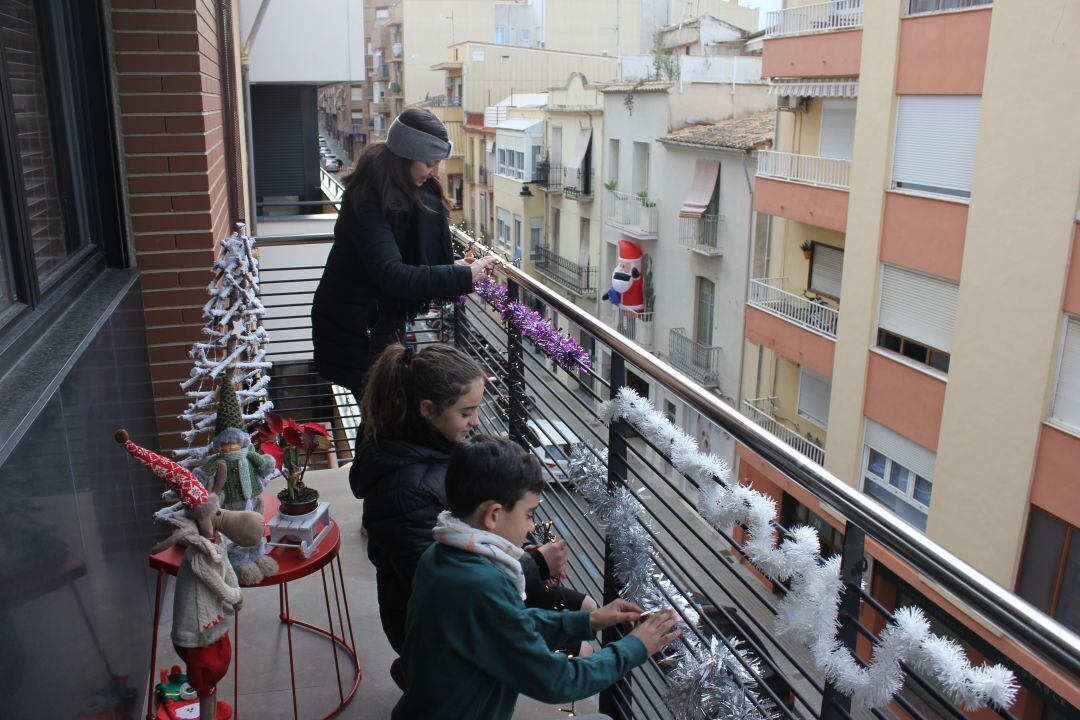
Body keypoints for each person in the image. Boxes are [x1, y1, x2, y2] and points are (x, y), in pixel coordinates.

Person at [393, 436, 681, 720]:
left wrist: (588, 621)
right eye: (529, 514)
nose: (531, 525)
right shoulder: (482, 584)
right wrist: (636, 647)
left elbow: (507, 624)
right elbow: (559, 680)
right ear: (493, 515)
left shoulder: (441, 554)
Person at [352, 342, 582, 686]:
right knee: (572, 647)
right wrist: (534, 565)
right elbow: (448, 588)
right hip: (433, 627)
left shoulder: (426, 445)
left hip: (455, 598)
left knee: (579, 607)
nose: (475, 422)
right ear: (428, 410)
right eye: (466, 412)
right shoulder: (403, 490)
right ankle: (423, 674)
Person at [312, 107, 498, 398]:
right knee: (384, 419)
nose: (435, 172)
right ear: (405, 157)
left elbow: (400, 263)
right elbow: (392, 274)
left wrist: (457, 266)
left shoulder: (395, 192)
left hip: (373, 325)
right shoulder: (368, 199)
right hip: (353, 331)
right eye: (429, 163)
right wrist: (460, 275)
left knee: (383, 419)